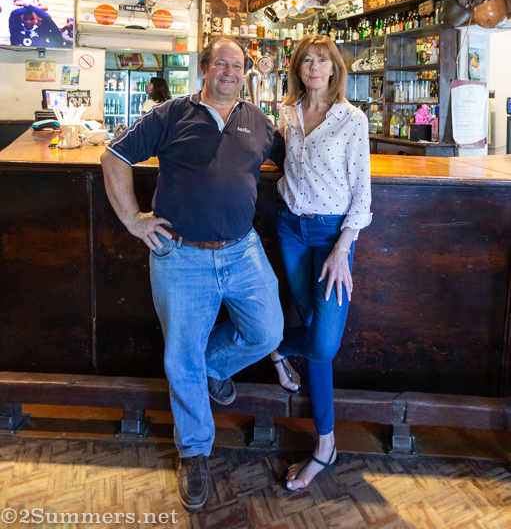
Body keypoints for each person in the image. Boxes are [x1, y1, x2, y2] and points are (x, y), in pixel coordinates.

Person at [100, 36, 285, 512]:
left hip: (243, 252)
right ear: (204, 69)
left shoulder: (259, 122)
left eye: (237, 65)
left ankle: (213, 368)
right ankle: (195, 452)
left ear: (247, 73)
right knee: (180, 353)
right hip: (179, 255)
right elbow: (113, 157)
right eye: (221, 63)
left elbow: (293, 162)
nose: (229, 71)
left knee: (267, 331)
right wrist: (133, 220)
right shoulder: (170, 115)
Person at [271, 34, 372, 492]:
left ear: (334, 69)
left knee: (324, 343)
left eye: (322, 61)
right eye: (306, 60)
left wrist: (342, 248)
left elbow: (361, 192)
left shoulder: (353, 120)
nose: (314, 67)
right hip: (291, 229)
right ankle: (325, 445)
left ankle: (274, 347)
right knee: (314, 328)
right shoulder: (286, 115)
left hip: (333, 236)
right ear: (298, 68)